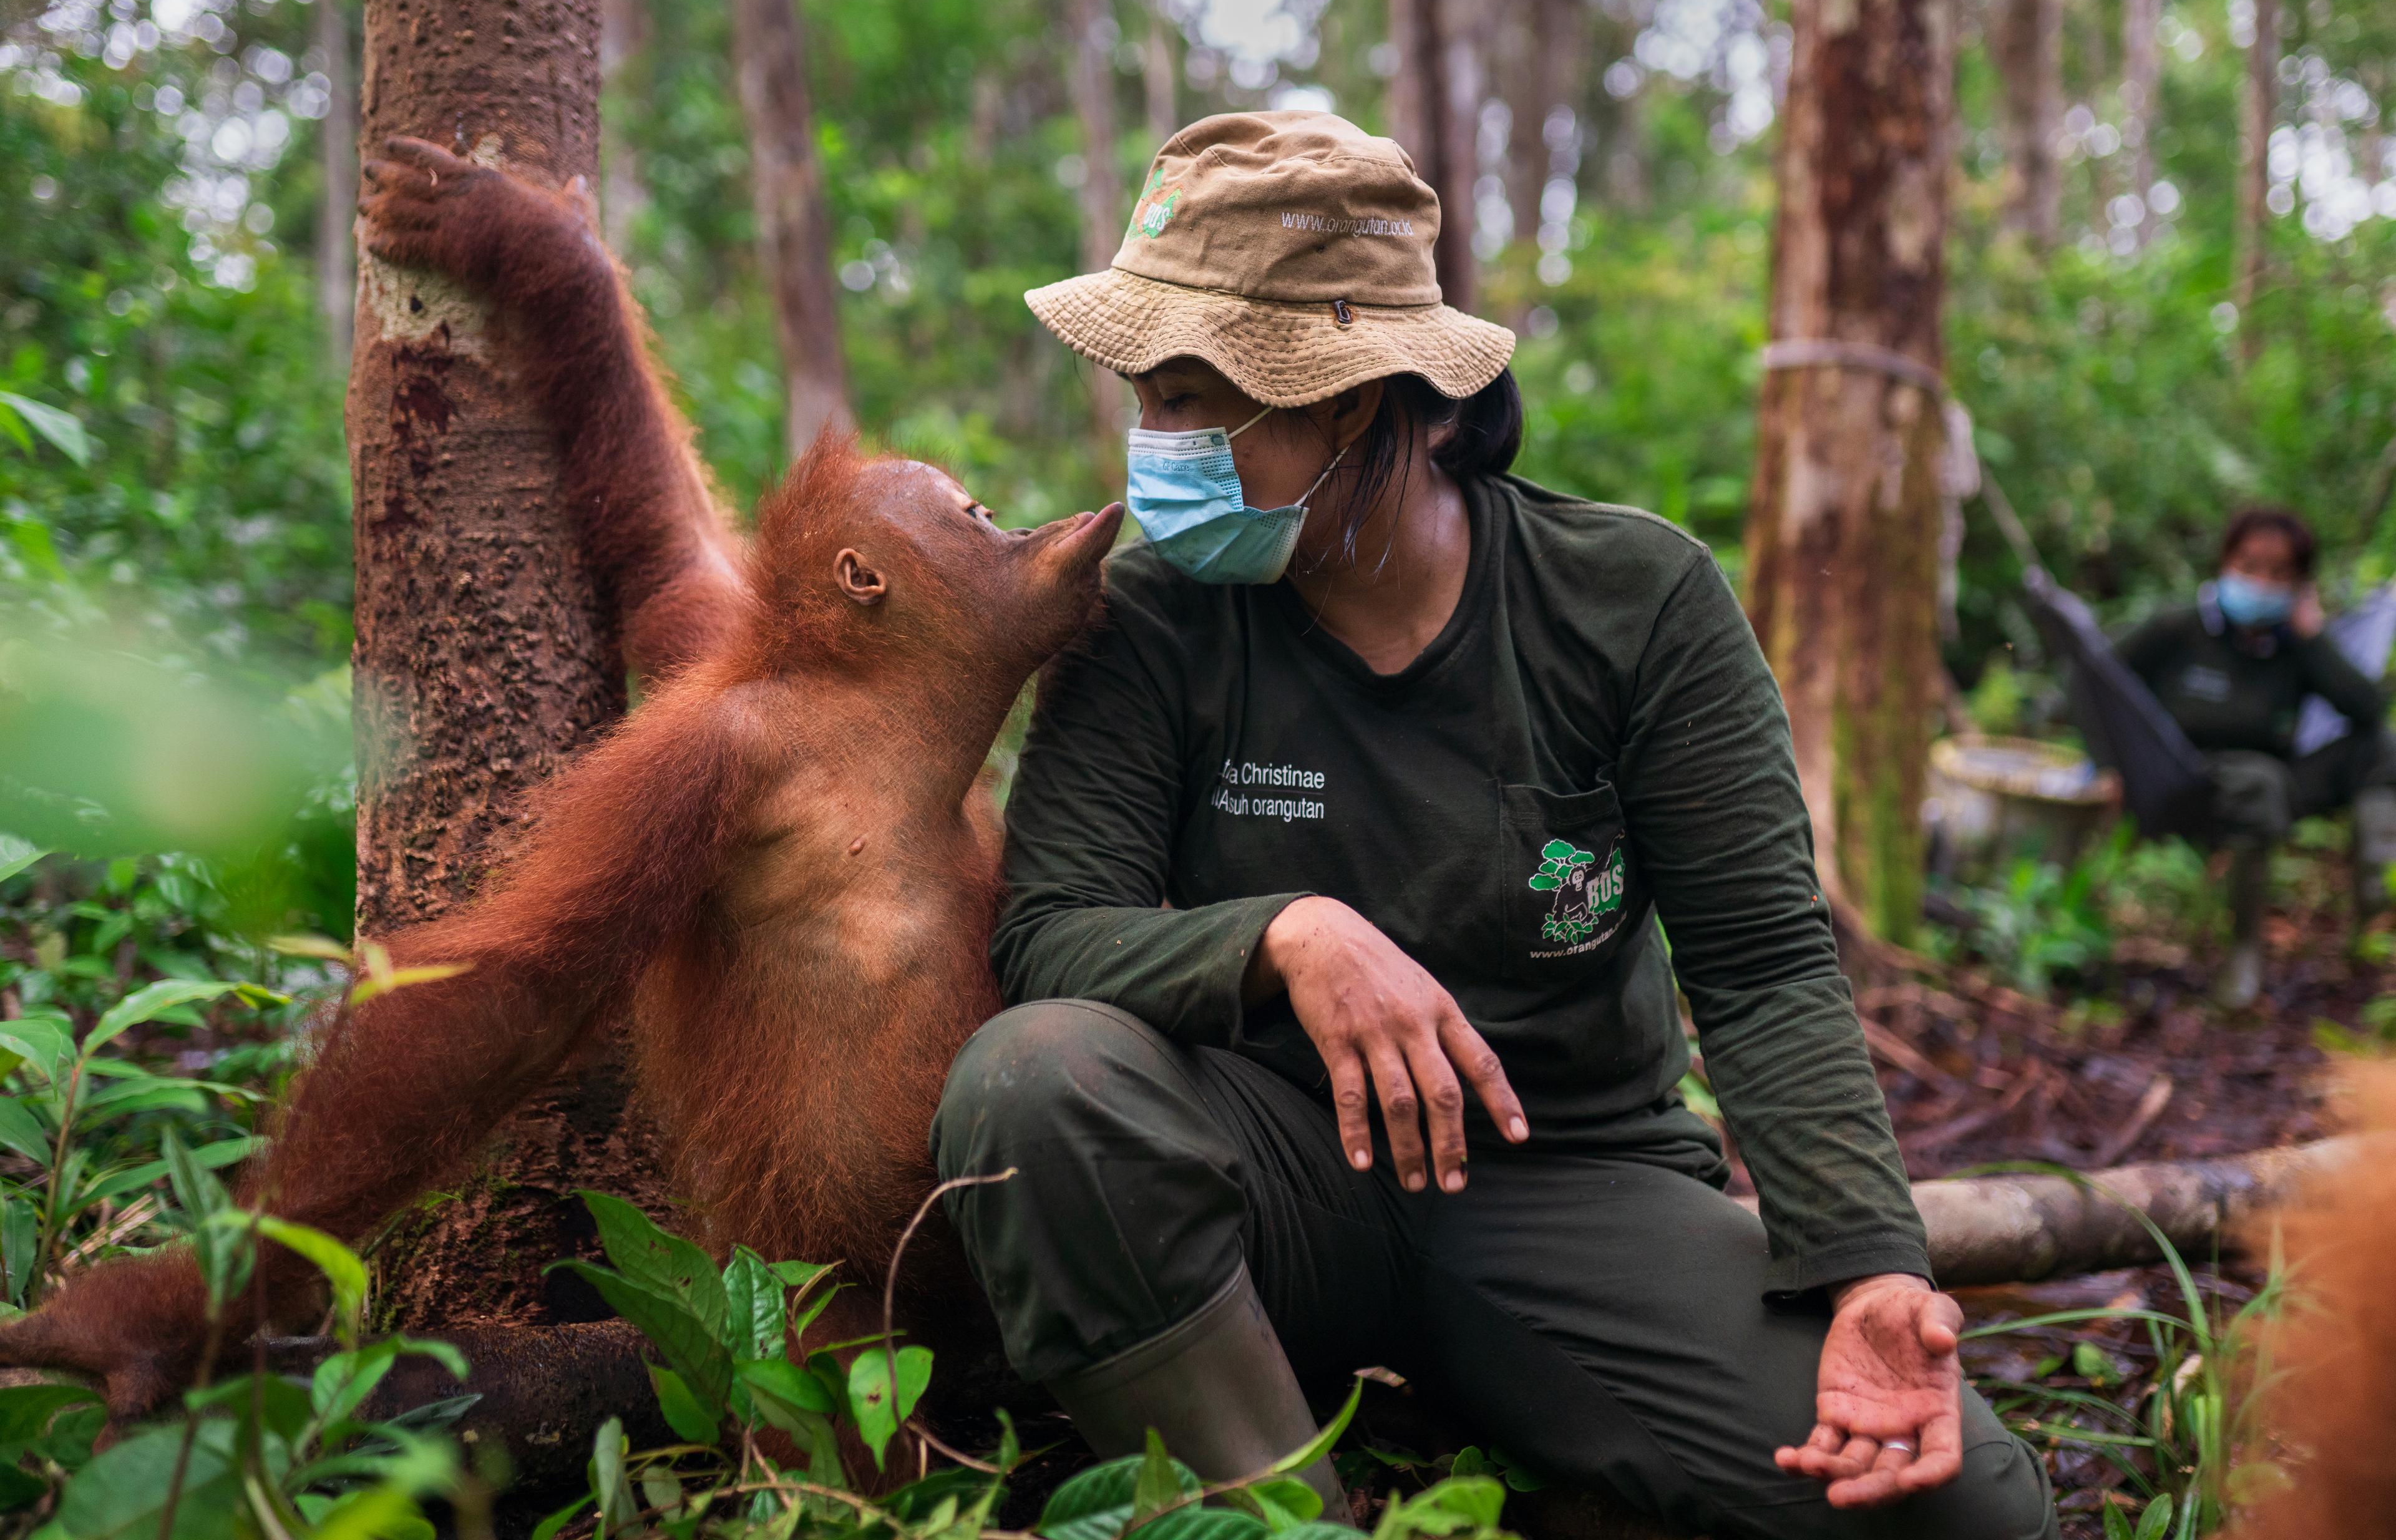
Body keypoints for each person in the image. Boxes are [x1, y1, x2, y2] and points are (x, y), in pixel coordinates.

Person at [930, 112, 2057, 1540]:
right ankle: (1279, 1511)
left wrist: (1870, 1261)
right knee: (1033, 1079)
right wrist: (1286, 935)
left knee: (1968, 1510)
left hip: (1564, 1181)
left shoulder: (1629, 602)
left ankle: (1528, 1397)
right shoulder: (1151, 621)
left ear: (1357, 403)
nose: (1155, 446)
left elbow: (1766, 966)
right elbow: (1052, 933)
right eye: (1143, 398)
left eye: (1190, 399)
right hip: (1266, 1171)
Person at [2116, 509, 2396, 1006]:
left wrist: (2313, 638)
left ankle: (2379, 917)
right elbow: (2098, 684)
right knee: (2259, 782)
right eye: (2249, 567)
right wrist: (2111, 764)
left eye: (2278, 573)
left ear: (2300, 584)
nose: (2261, 584)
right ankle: (2244, 952)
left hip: (2276, 782)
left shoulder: (2295, 645)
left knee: (2383, 751)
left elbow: (2368, 710)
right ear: (2225, 563)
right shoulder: (2178, 628)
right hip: (2188, 778)